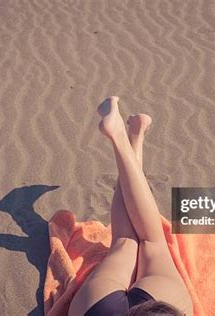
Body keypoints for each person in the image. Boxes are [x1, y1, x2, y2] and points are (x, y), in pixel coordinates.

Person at [68, 96, 193, 316]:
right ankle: (134, 135)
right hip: (99, 310)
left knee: (150, 242)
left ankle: (124, 136)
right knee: (124, 241)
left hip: (155, 304)